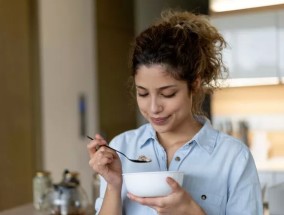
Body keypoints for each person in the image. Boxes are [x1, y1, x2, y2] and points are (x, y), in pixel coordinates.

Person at [87, 9, 263, 215]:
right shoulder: (122, 147)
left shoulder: (233, 158)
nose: (153, 108)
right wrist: (113, 185)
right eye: (143, 93)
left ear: (195, 85)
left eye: (168, 94)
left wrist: (191, 211)